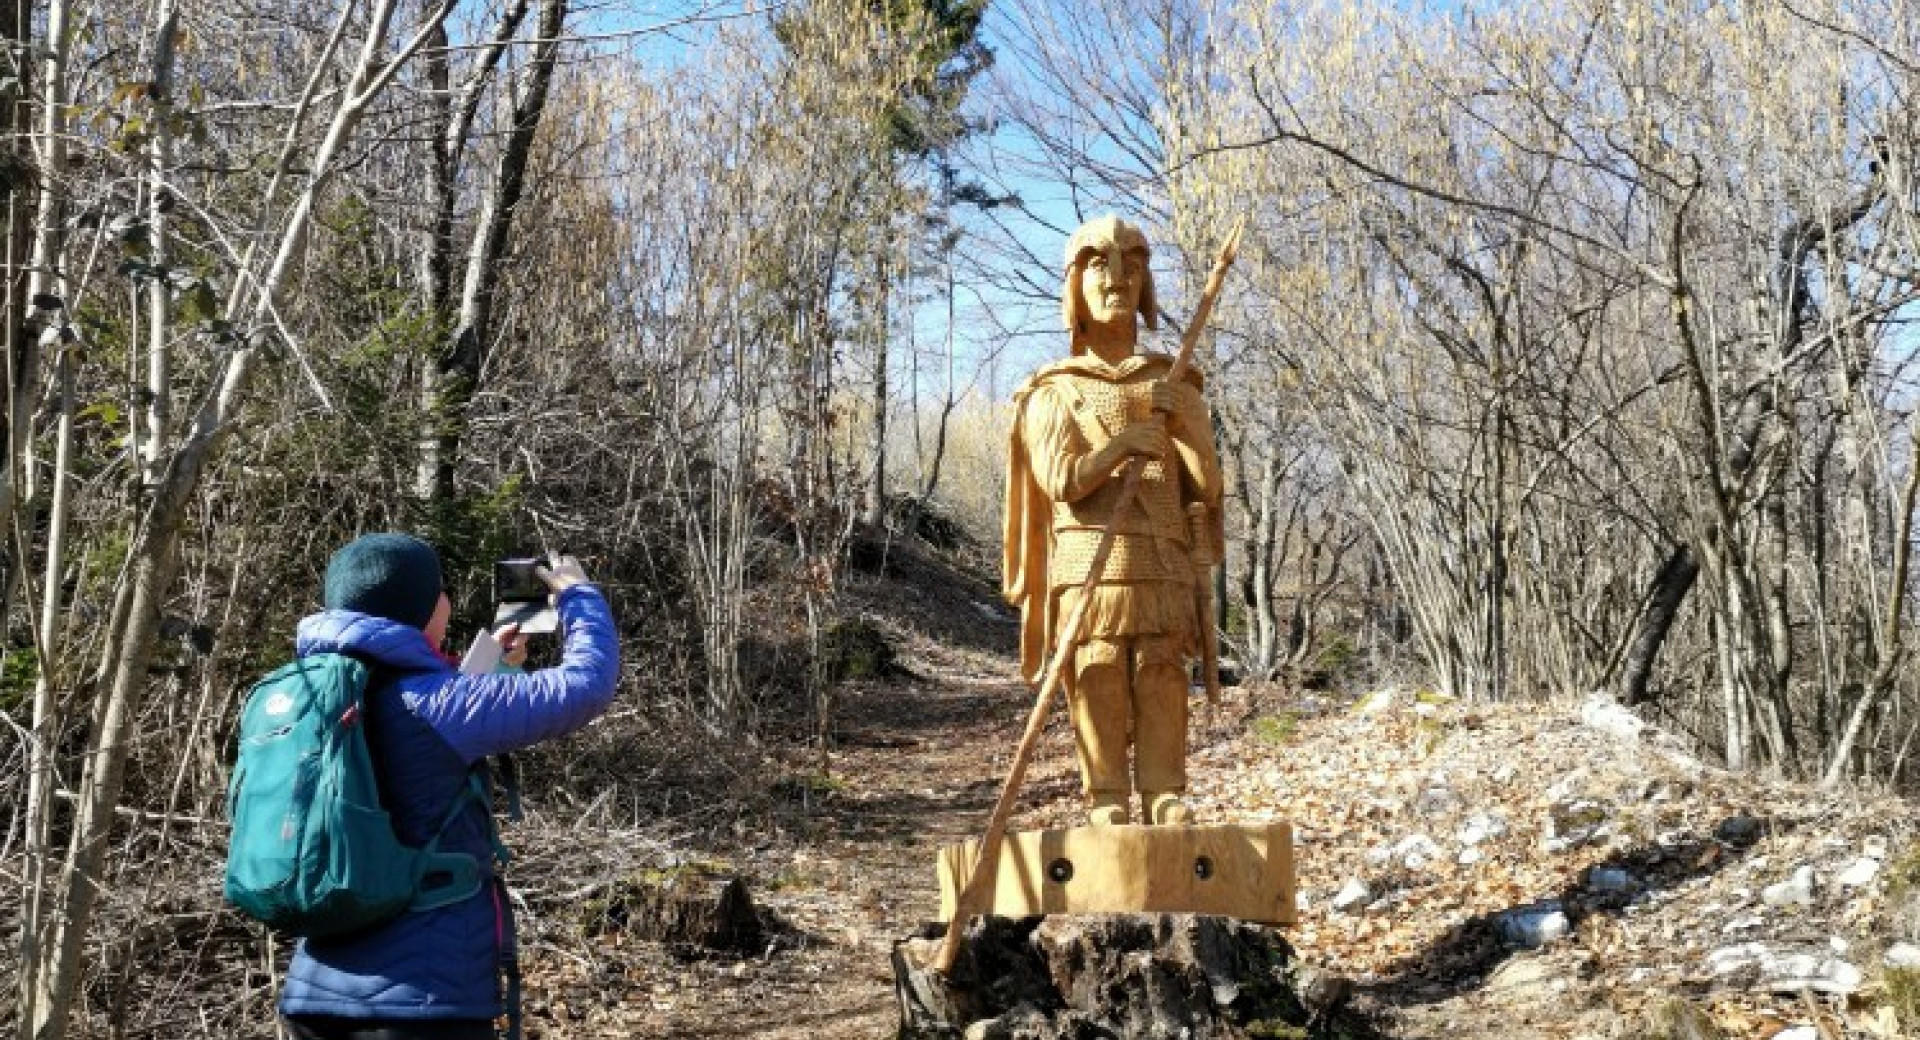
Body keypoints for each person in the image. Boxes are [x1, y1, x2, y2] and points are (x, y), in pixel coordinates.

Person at [278, 533, 620, 1040]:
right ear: (417, 607)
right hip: (420, 1001)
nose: (448, 601)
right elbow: (586, 687)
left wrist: (488, 672)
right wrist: (579, 597)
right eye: (440, 591)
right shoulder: (437, 705)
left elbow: (416, 743)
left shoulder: (307, 693)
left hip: (315, 993)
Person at [1003, 215, 1224, 827]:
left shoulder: (1172, 381)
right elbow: (1063, 481)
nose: (1118, 277)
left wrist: (1192, 433)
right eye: (1099, 262)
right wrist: (1125, 443)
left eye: (1132, 261)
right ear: (1074, 282)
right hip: (1086, 557)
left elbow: (1206, 488)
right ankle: (1104, 797)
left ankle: (1162, 792)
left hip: (1160, 555)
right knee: (1096, 666)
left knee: (1161, 666)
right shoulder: (1052, 390)